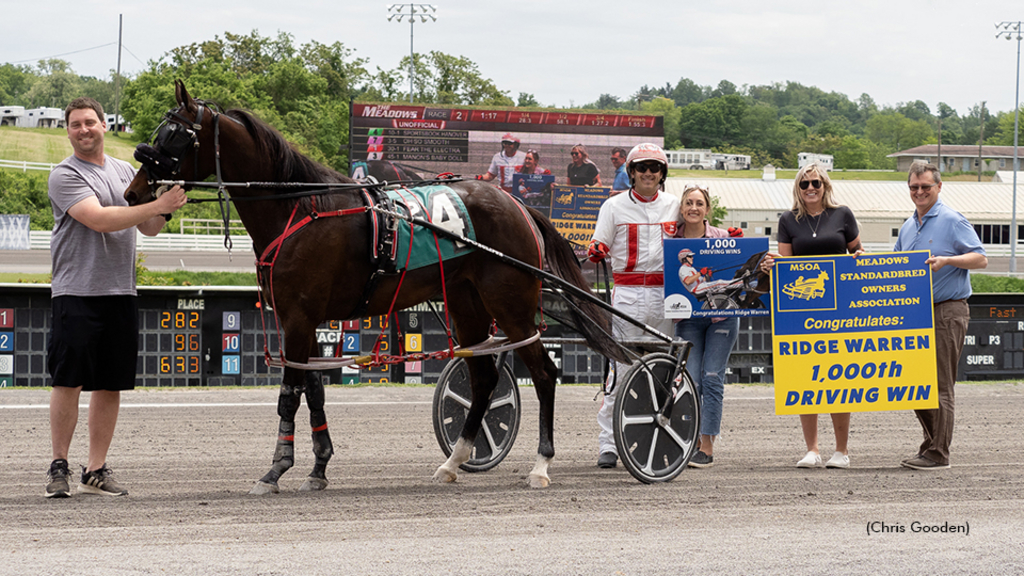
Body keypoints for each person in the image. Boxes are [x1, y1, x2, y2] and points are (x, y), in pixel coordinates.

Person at [44, 97, 187, 498]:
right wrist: (156, 204)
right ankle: (59, 465)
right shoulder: (64, 175)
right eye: (75, 124)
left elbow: (152, 229)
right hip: (77, 291)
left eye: (90, 122)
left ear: (105, 126)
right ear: (68, 130)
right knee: (68, 380)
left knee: (110, 385)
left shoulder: (126, 171)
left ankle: (95, 470)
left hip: (120, 291)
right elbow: (100, 220)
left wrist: (167, 200)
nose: (84, 129)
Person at [761, 163, 862, 470]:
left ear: (825, 185)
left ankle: (841, 451)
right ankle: (812, 449)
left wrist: (860, 259)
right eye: (804, 184)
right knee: (807, 378)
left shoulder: (843, 214)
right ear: (797, 188)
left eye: (815, 182)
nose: (810, 189)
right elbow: (785, 265)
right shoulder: (788, 219)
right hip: (803, 308)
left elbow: (859, 254)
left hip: (841, 307)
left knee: (839, 379)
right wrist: (770, 266)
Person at [587, 143, 678, 468]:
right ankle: (609, 444)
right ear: (632, 173)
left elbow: (698, 232)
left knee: (663, 371)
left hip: (665, 297)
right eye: (642, 168)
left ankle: (658, 436)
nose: (649, 173)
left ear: (662, 173)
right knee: (621, 369)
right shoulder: (613, 207)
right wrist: (597, 248)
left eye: (655, 168)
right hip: (626, 295)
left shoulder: (675, 205)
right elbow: (600, 242)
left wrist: (723, 235)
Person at [895, 162, 986, 470]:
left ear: (939, 187)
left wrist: (948, 260)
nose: (919, 192)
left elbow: (981, 258)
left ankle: (938, 453)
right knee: (914, 383)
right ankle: (932, 445)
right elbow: (895, 265)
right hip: (916, 312)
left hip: (947, 309)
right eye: (914, 187)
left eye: (925, 187)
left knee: (940, 384)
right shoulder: (908, 226)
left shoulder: (952, 220)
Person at [672, 186, 741, 468]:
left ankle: (707, 445)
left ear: (707, 209)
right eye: (688, 202)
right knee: (691, 380)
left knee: (712, 376)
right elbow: (693, 285)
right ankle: (688, 440)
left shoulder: (723, 238)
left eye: (699, 203)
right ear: (682, 208)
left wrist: (740, 244)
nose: (693, 208)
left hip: (722, 318)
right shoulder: (671, 241)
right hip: (690, 317)